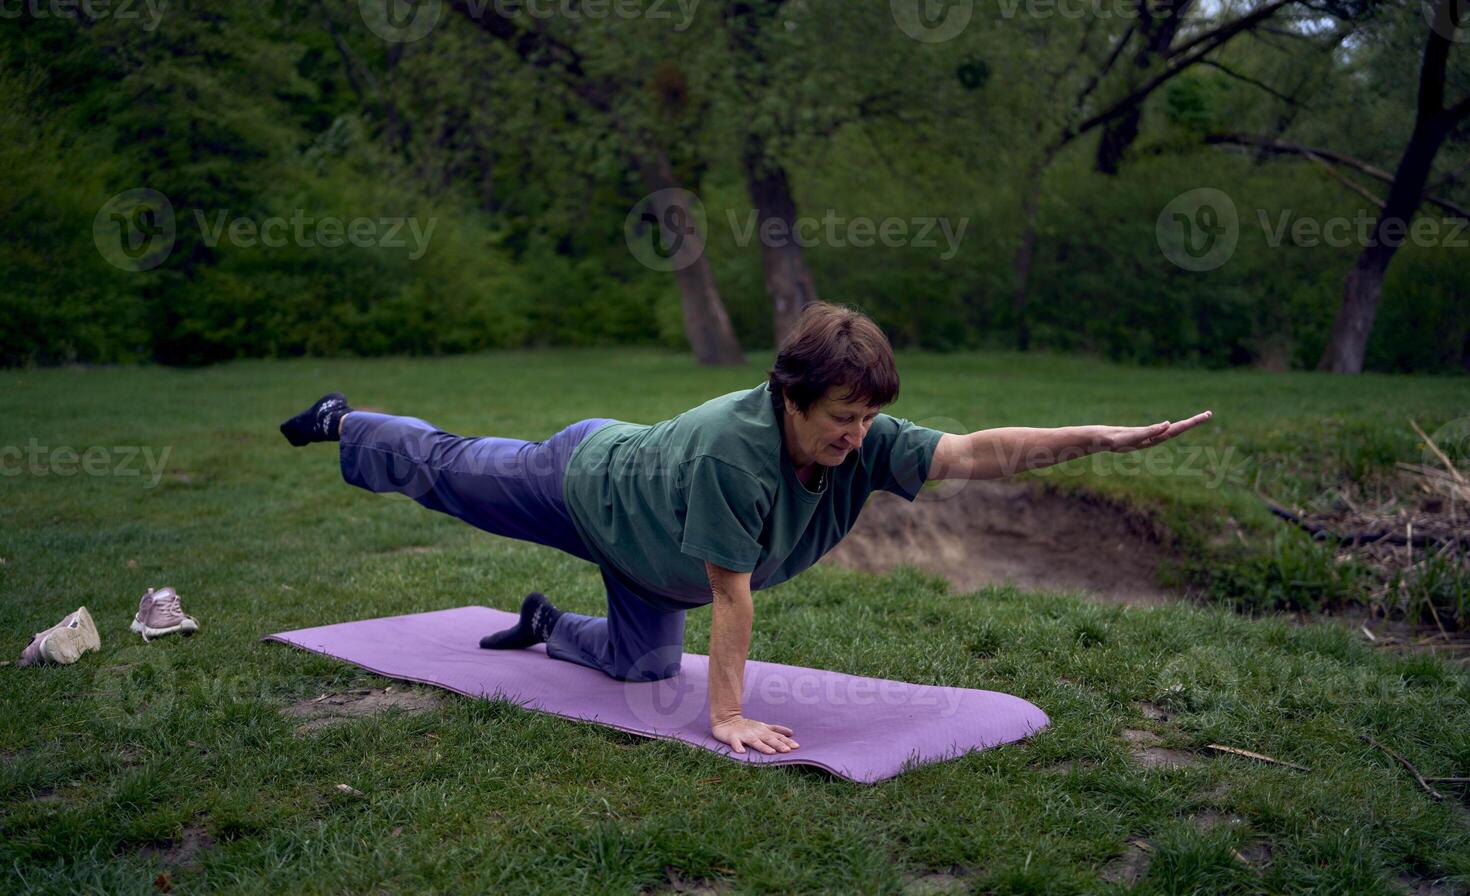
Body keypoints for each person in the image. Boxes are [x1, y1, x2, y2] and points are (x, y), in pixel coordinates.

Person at [279, 302, 1211, 757]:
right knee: (448, 473)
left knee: (640, 669)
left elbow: (975, 452)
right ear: (789, 399)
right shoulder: (737, 452)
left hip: (655, 568)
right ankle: (347, 423)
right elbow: (734, 594)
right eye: (840, 417)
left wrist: (1100, 439)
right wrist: (724, 716)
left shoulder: (863, 441)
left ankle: (546, 624)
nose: (858, 436)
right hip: (587, 484)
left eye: (866, 418)